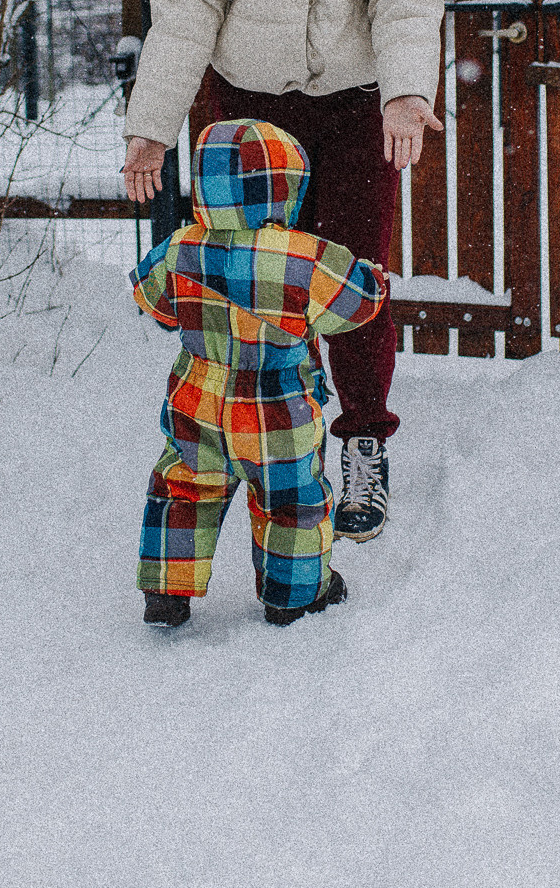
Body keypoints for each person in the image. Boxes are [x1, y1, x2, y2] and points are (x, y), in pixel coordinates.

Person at [123, 0, 444, 542]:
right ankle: (259, 441)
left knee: (354, 279)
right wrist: (151, 123)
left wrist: (406, 92)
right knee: (256, 289)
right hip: (252, 119)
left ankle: (364, 443)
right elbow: (186, 7)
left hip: (347, 109)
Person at [134, 117, 386, 627]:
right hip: (275, 410)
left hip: (196, 400)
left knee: (184, 486)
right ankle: (293, 596)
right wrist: (374, 281)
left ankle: (167, 589)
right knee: (291, 499)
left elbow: (153, 301)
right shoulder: (303, 259)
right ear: (285, 186)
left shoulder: (181, 247)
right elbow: (355, 305)